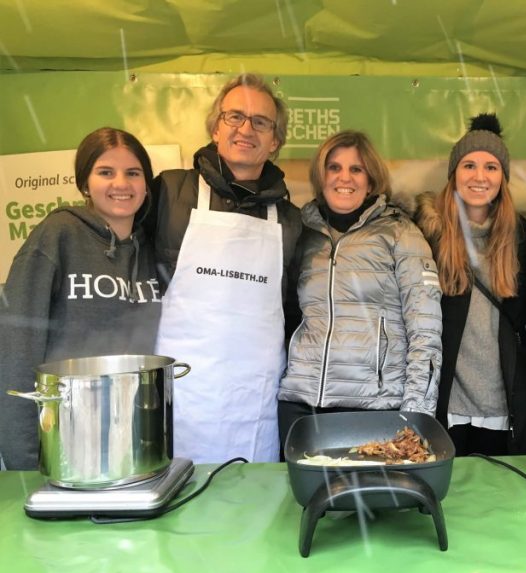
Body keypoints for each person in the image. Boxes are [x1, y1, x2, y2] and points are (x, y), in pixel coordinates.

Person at [149, 73, 302, 464]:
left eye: (260, 122)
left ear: (275, 141)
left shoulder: (290, 220)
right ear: (216, 129)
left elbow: (292, 309)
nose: (245, 129)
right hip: (182, 394)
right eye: (234, 116)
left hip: (253, 402)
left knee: (251, 505)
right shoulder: (169, 192)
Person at [0, 127, 161, 470]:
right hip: (62, 442)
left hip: (134, 441)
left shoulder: (154, 250)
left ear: (147, 185)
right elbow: (16, 346)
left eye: (133, 173)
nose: (121, 183)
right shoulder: (57, 235)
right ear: (85, 183)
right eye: (106, 172)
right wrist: (23, 461)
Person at [277, 130, 442, 446]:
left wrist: (417, 415)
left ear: (372, 179)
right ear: (320, 176)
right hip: (300, 404)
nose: (345, 178)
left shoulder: (400, 233)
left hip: (373, 408)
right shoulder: (301, 231)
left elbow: (426, 332)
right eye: (334, 167)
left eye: (357, 169)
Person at [414, 114, 526, 457]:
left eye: (491, 167)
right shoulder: (425, 235)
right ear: (454, 174)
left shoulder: (523, 237)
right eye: (469, 165)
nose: (480, 177)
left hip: (505, 406)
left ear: (503, 178)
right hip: (445, 404)